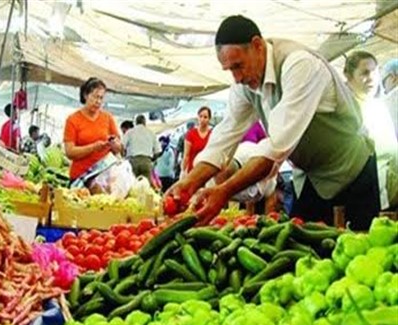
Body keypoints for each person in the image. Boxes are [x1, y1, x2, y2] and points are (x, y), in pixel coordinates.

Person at [168, 15, 379, 230]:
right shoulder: (244, 84)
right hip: (309, 179)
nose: (236, 77)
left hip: (351, 173)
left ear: (257, 46)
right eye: (229, 69)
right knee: (304, 251)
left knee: (359, 248)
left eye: (238, 66)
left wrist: (225, 191)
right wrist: (189, 183)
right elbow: (223, 138)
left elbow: (275, 148)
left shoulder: (300, 65)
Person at [344, 51, 398, 210]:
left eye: (375, 72)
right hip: (364, 198)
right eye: (365, 73)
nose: (372, 78)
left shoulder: (379, 106)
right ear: (349, 76)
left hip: (389, 196)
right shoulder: (346, 110)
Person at [63, 77, 123, 188]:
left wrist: (115, 145)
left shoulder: (108, 118)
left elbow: (119, 148)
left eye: (101, 98)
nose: (98, 101)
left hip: (104, 179)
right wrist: (93, 147)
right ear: (86, 95)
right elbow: (69, 152)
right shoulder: (72, 120)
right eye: (95, 97)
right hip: (80, 178)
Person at [122, 114, 160, 181]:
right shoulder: (151, 133)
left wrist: (124, 156)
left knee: (133, 185)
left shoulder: (130, 132)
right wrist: (152, 159)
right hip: (146, 161)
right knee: (145, 186)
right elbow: (157, 151)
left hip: (133, 161)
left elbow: (122, 146)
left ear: (136, 122)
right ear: (145, 122)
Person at [183, 107, 213, 174]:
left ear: (209, 119)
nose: (202, 119)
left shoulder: (212, 135)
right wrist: (183, 172)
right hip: (192, 171)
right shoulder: (190, 134)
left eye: (205, 117)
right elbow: (186, 156)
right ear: (198, 117)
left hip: (207, 172)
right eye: (200, 116)